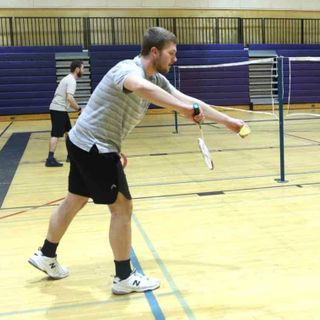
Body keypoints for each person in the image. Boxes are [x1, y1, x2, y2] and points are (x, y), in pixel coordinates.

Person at [28, 27, 246, 295]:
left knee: (75, 199)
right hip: (95, 145)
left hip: (83, 141)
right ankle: (123, 276)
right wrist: (183, 110)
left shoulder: (158, 80)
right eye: (171, 53)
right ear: (154, 51)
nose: (174, 59)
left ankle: (46, 255)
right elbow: (139, 87)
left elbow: (187, 99)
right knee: (122, 208)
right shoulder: (128, 69)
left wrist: (227, 121)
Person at [45, 60, 84, 167]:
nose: (83, 71)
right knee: (56, 134)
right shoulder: (71, 80)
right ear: (77, 69)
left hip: (60, 109)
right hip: (58, 109)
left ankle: (70, 156)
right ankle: (50, 159)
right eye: (82, 68)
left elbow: (68, 101)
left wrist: (77, 109)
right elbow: (69, 98)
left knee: (69, 133)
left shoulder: (68, 78)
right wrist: (79, 108)